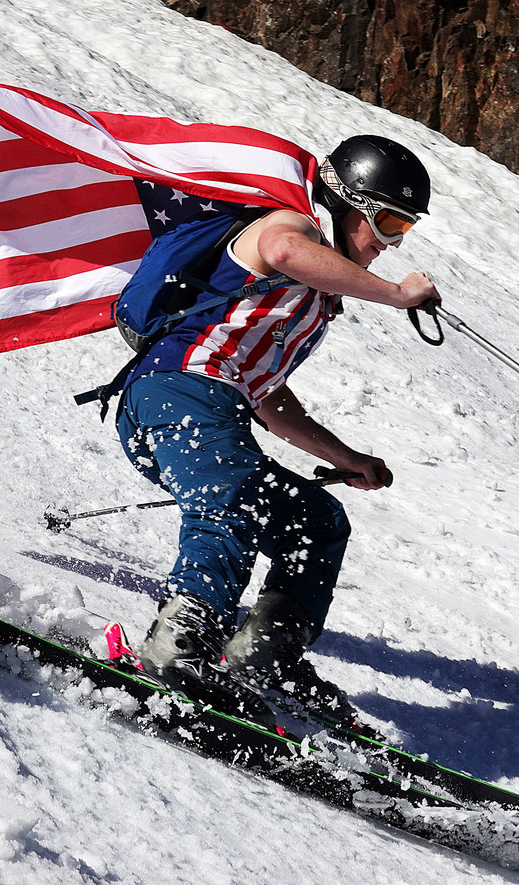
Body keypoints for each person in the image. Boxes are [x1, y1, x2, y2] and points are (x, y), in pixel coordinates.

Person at [115, 134, 438, 728]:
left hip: (211, 405)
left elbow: (269, 399)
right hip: (175, 390)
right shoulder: (294, 223)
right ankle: (176, 647)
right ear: (347, 201)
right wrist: (396, 295)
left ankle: (263, 658)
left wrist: (347, 457)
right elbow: (285, 251)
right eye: (388, 221)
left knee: (316, 519)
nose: (389, 243)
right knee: (231, 500)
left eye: (404, 230)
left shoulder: (313, 299)